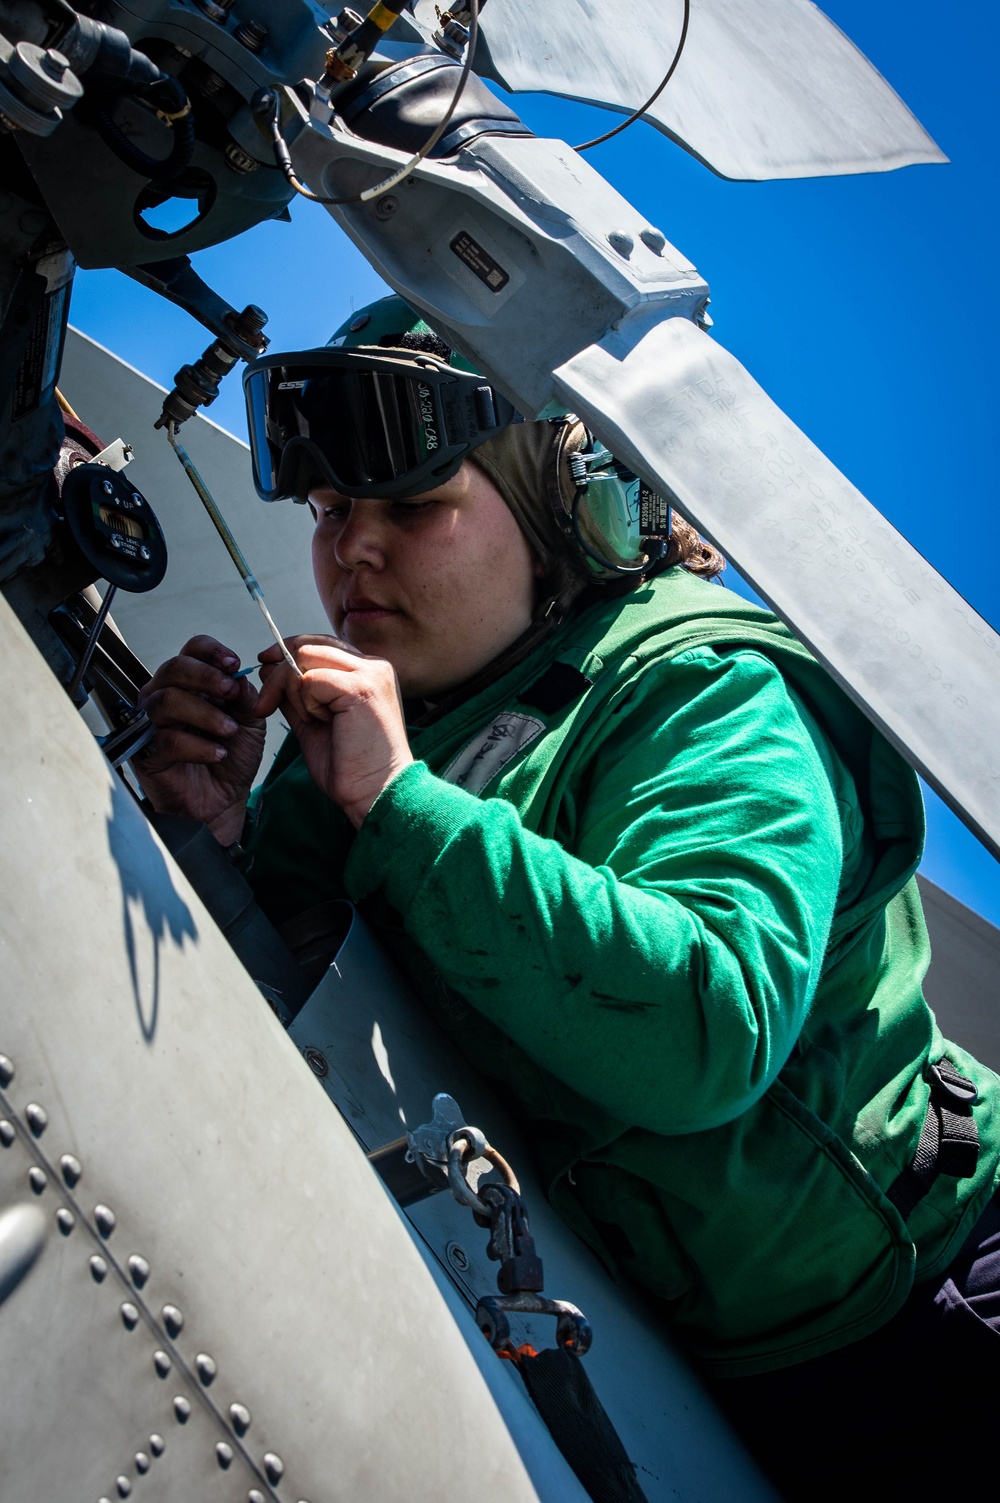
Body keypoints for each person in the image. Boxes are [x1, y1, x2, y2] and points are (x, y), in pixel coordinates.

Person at [136, 297, 1000, 1499]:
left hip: (942, 1324)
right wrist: (208, 838)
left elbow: (711, 1022)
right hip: (699, 1378)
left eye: (413, 504)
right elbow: (307, 1024)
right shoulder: (371, 749)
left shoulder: (698, 684)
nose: (352, 551)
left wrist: (399, 806)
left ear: (568, 509)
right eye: (333, 512)